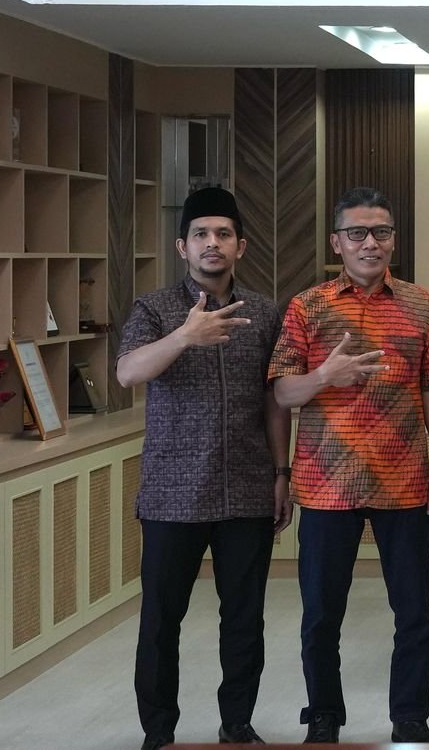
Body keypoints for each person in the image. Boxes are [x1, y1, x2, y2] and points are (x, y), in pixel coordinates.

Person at [270, 187, 429, 745]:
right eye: (357, 233)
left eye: (381, 232)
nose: (370, 243)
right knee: (321, 616)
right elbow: (282, 392)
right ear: (337, 243)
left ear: (393, 240)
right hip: (325, 484)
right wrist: (324, 377)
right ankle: (323, 717)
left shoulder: (421, 304)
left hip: (405, 481)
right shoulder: (307, 306)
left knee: (414, 614)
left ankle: (411, 719)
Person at [118, 188, 288, 750]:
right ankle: (158, 732)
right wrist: (185, 336)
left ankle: (237, 723)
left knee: (244, 618)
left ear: (241, 245)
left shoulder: (265, 312)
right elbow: (128, 372)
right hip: (173, 491)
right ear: (182, 246)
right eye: (200, 235)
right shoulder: (154, 309)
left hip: (247, 487)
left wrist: (281, 473)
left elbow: (274, 400)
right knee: (161, 619)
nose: (212, 243)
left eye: (223, 234)